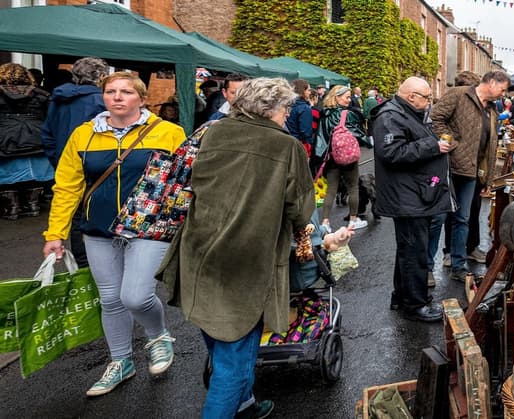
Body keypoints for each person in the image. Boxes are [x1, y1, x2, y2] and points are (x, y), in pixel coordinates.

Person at [157, 77, 314, 419]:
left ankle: (246, 406)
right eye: (286, 107)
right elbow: (300, 209)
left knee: (217, 338)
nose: (288, 114)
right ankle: (232, 405)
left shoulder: (214, 131)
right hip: (246, 260)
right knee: (234, 363)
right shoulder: (284, 146)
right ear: (269, 108)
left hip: (198, 250)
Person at [41, 71, 187, 396]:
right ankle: (120, 361)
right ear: (103, 97)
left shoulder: (168, 132)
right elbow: (66, 187)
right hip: (97, 228)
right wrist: (56, 234)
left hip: (149, 228)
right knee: (110, 299)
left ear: (142, 98)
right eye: (110, 91)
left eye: (125, 92)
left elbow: (184, 182)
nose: (117, 97)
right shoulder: (84, 135)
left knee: (134, 295)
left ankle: (158, 335)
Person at [372, 77, 453, 320]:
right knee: (414, 251)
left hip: (412, 192)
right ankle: (415, 305)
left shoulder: (404, 113)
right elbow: (391, 152)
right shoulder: (390, 116)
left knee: (408, 249)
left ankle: (402, 296)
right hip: (406, 195)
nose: (430, 102)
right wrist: (433, 146)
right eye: (427, 97)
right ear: (411, 97)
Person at [431, 70, 509, 281]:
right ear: (492, 83)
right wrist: (453, 145)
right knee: (438, 217)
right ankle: (428, 268)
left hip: (472, 172)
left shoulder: (491, 110)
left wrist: (489, 179)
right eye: (502, 89)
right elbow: (436, 118)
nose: (504, 94)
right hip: (450, 167)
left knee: (463, 219)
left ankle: (459, 265)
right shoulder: (459, 94)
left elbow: (490, 146)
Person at [1, 63, 53, 219]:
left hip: (5, 138)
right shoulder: (41, 94)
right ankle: (33, 205)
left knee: (6, 174)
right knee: (35, 174)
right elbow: (50, 117)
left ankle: (12, 208)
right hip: (36, 137)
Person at [315, 85, 371, 230]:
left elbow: (321, 138)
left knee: (331, 190)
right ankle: (353, 220)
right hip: (348, 157)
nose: (349, 100)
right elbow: (358, 134)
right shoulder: (348, 114)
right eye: (346, 97)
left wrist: (319, 158)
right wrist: (368, 142)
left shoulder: (324, 114)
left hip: (331, 157)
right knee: (353, 187)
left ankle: (325, 223)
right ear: (337, 97)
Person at [41, 57, 108, 167]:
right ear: (101, 76)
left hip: (63, 160)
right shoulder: (102, 101)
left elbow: (47, 134)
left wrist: (57, 160)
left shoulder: (59, 98)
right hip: (93, 163)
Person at [285, 78, 315, 156]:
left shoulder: (286, 104)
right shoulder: (304, 108)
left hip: (285, 141)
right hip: (298, 144)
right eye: (308, 90)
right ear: (303, 91)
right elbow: (305, 132)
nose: (310, 92)